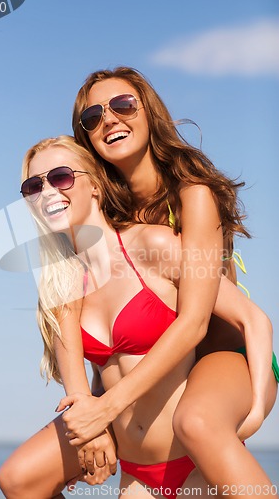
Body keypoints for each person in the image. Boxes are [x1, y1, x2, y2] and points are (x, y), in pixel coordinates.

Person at [0, 136, 277, 499]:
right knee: (17, 480)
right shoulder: (60, 285)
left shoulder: (153, 246)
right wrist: (91, 433)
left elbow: (251, 319)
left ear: (95, 185)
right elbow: (81, 396)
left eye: (61, 177)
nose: (47, 191)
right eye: (33, 186)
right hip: (137, 474)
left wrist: (254, 413)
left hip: (194, 459)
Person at [57, 67, 279, 492]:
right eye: (92, 117)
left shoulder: (192, 195)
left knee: (197, 422)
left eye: (122, 104)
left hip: (229, 356)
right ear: (85, 138)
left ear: (149, 112)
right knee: (20, 474)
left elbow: (204, 322)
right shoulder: (109, 220)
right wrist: (93, 418)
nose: (109, 119)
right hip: (169, 383)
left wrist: (252, 412)